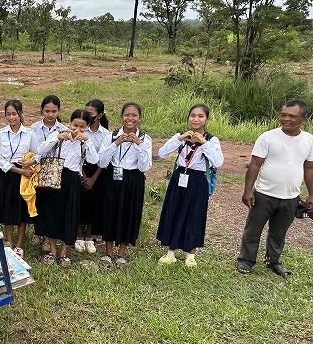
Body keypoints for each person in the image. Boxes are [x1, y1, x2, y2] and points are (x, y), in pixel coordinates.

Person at [236, 100, 313, 277]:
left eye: (292, 116)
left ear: (303, 119)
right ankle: (246, 260)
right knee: (253, 229)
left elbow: (309, 168)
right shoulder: (268, 137)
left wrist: (311, 194)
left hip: (291, 197)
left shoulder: (309, 141)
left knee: (279, 232)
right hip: (264, 194)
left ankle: (273, 261)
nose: (286, 119)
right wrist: (248, 190)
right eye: (283, 115)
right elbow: (254, 165)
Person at [157, 104, 224, 267]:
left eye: (200, 116)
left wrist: (203, 142)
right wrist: (179, 139)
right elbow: (161, 154)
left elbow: (218, 162)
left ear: (207, 119)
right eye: (193, 115)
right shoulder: (181, 137)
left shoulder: (211, 139)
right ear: (188, 117)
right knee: (174, 211)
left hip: (198, 180)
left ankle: (191, 255)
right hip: (179, 176)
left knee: (195, 215)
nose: (196, 119)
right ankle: (170, 253)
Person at [36, 109, 99, 265]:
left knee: (69, 216)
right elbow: (40, 151)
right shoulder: (59, 133)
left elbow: (94, 160)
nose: (77, 129)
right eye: (75, 125)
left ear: (87, 127)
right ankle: (52, 251)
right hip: (55, 177)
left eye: (82, 127)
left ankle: (64, 252)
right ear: (70, 123)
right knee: (51, 213)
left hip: (73, 181)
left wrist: (86, 140)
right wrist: (57, 139)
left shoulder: (85, 141)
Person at [97, 102, 152, 267]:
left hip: (133, 179)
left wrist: (139, 144)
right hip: (113, 176)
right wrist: (116, 143)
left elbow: (144, 167)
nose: (130, 118)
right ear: (121, 117)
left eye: (134, 115)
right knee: (110, 211)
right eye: (127, 115)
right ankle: (108, 253)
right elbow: (101, 161)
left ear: (139, 118)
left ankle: (121, 253)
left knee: (129, 213)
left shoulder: (145, 139)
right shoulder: (111, 135)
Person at [0, 99, 40, 258]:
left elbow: (38, 153)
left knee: (21, 209)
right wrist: (20, 171)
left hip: (25, 176)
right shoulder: (1, 133)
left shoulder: (30, 134)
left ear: (20, 114)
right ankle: (9, 242)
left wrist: (30, 164)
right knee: (7, 207)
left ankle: (19, 244)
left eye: (14, 114)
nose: (11, 117)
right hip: (8, 174)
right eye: (8, 114)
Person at [31, 95, 69, 251]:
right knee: (38, 202)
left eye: (54, 111)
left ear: (59, 110)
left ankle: (49, 237)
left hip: (54, 172)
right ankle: (38, 232)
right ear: (41, 111)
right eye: (47, 111)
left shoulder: (64, 130)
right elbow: (33, 150)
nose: (50, 114)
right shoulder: (33, 128)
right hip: (37, 169)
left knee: (51, 203)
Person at [79, 99, 111, 254]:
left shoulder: (106, 134)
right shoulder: (81, 130)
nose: (87, 116)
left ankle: (89, 236)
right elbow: (78, 156)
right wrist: (84, 176)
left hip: (98, 172)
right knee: (79, 202)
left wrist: (93, 178)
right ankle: (79, 235)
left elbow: (104, 160)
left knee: (94, 204)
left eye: (90, 114)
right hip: (81, 169)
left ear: (99, 115)